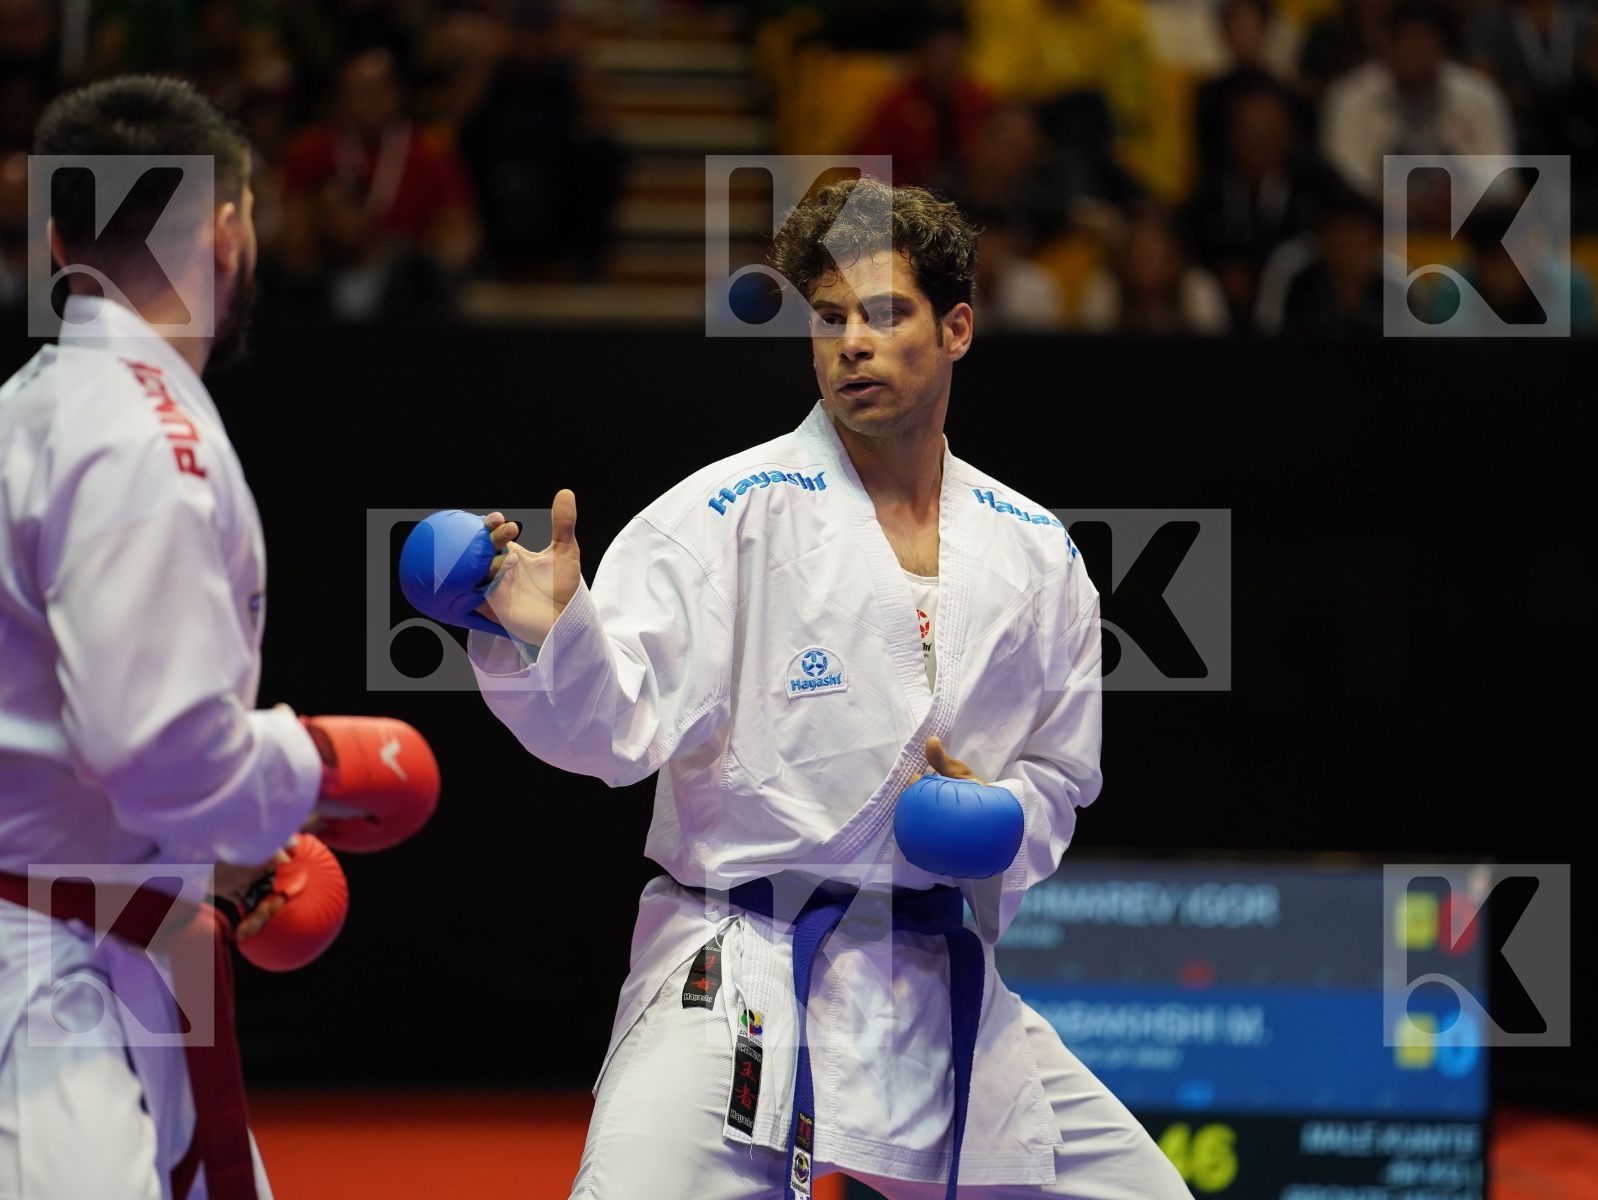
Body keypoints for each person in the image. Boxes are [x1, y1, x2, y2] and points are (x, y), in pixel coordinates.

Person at [444, 178, 1189, 1198]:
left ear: (957, 327)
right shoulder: (721, 516)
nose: (851, 343)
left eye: (884, 314)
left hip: (931, 978)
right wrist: (547, 635)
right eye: (829, 319)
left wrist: (1001, 818)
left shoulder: (1034, 551)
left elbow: (1059, 776)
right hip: (739, 968)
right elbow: (611, 731)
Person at [0, 75, 433, 1199]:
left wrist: (227, 848)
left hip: (83, 923)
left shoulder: (32, 406)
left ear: (58, 242)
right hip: (50, 988)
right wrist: (317, 764)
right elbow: (152, 752)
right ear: (232, 229)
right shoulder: (144, 435)